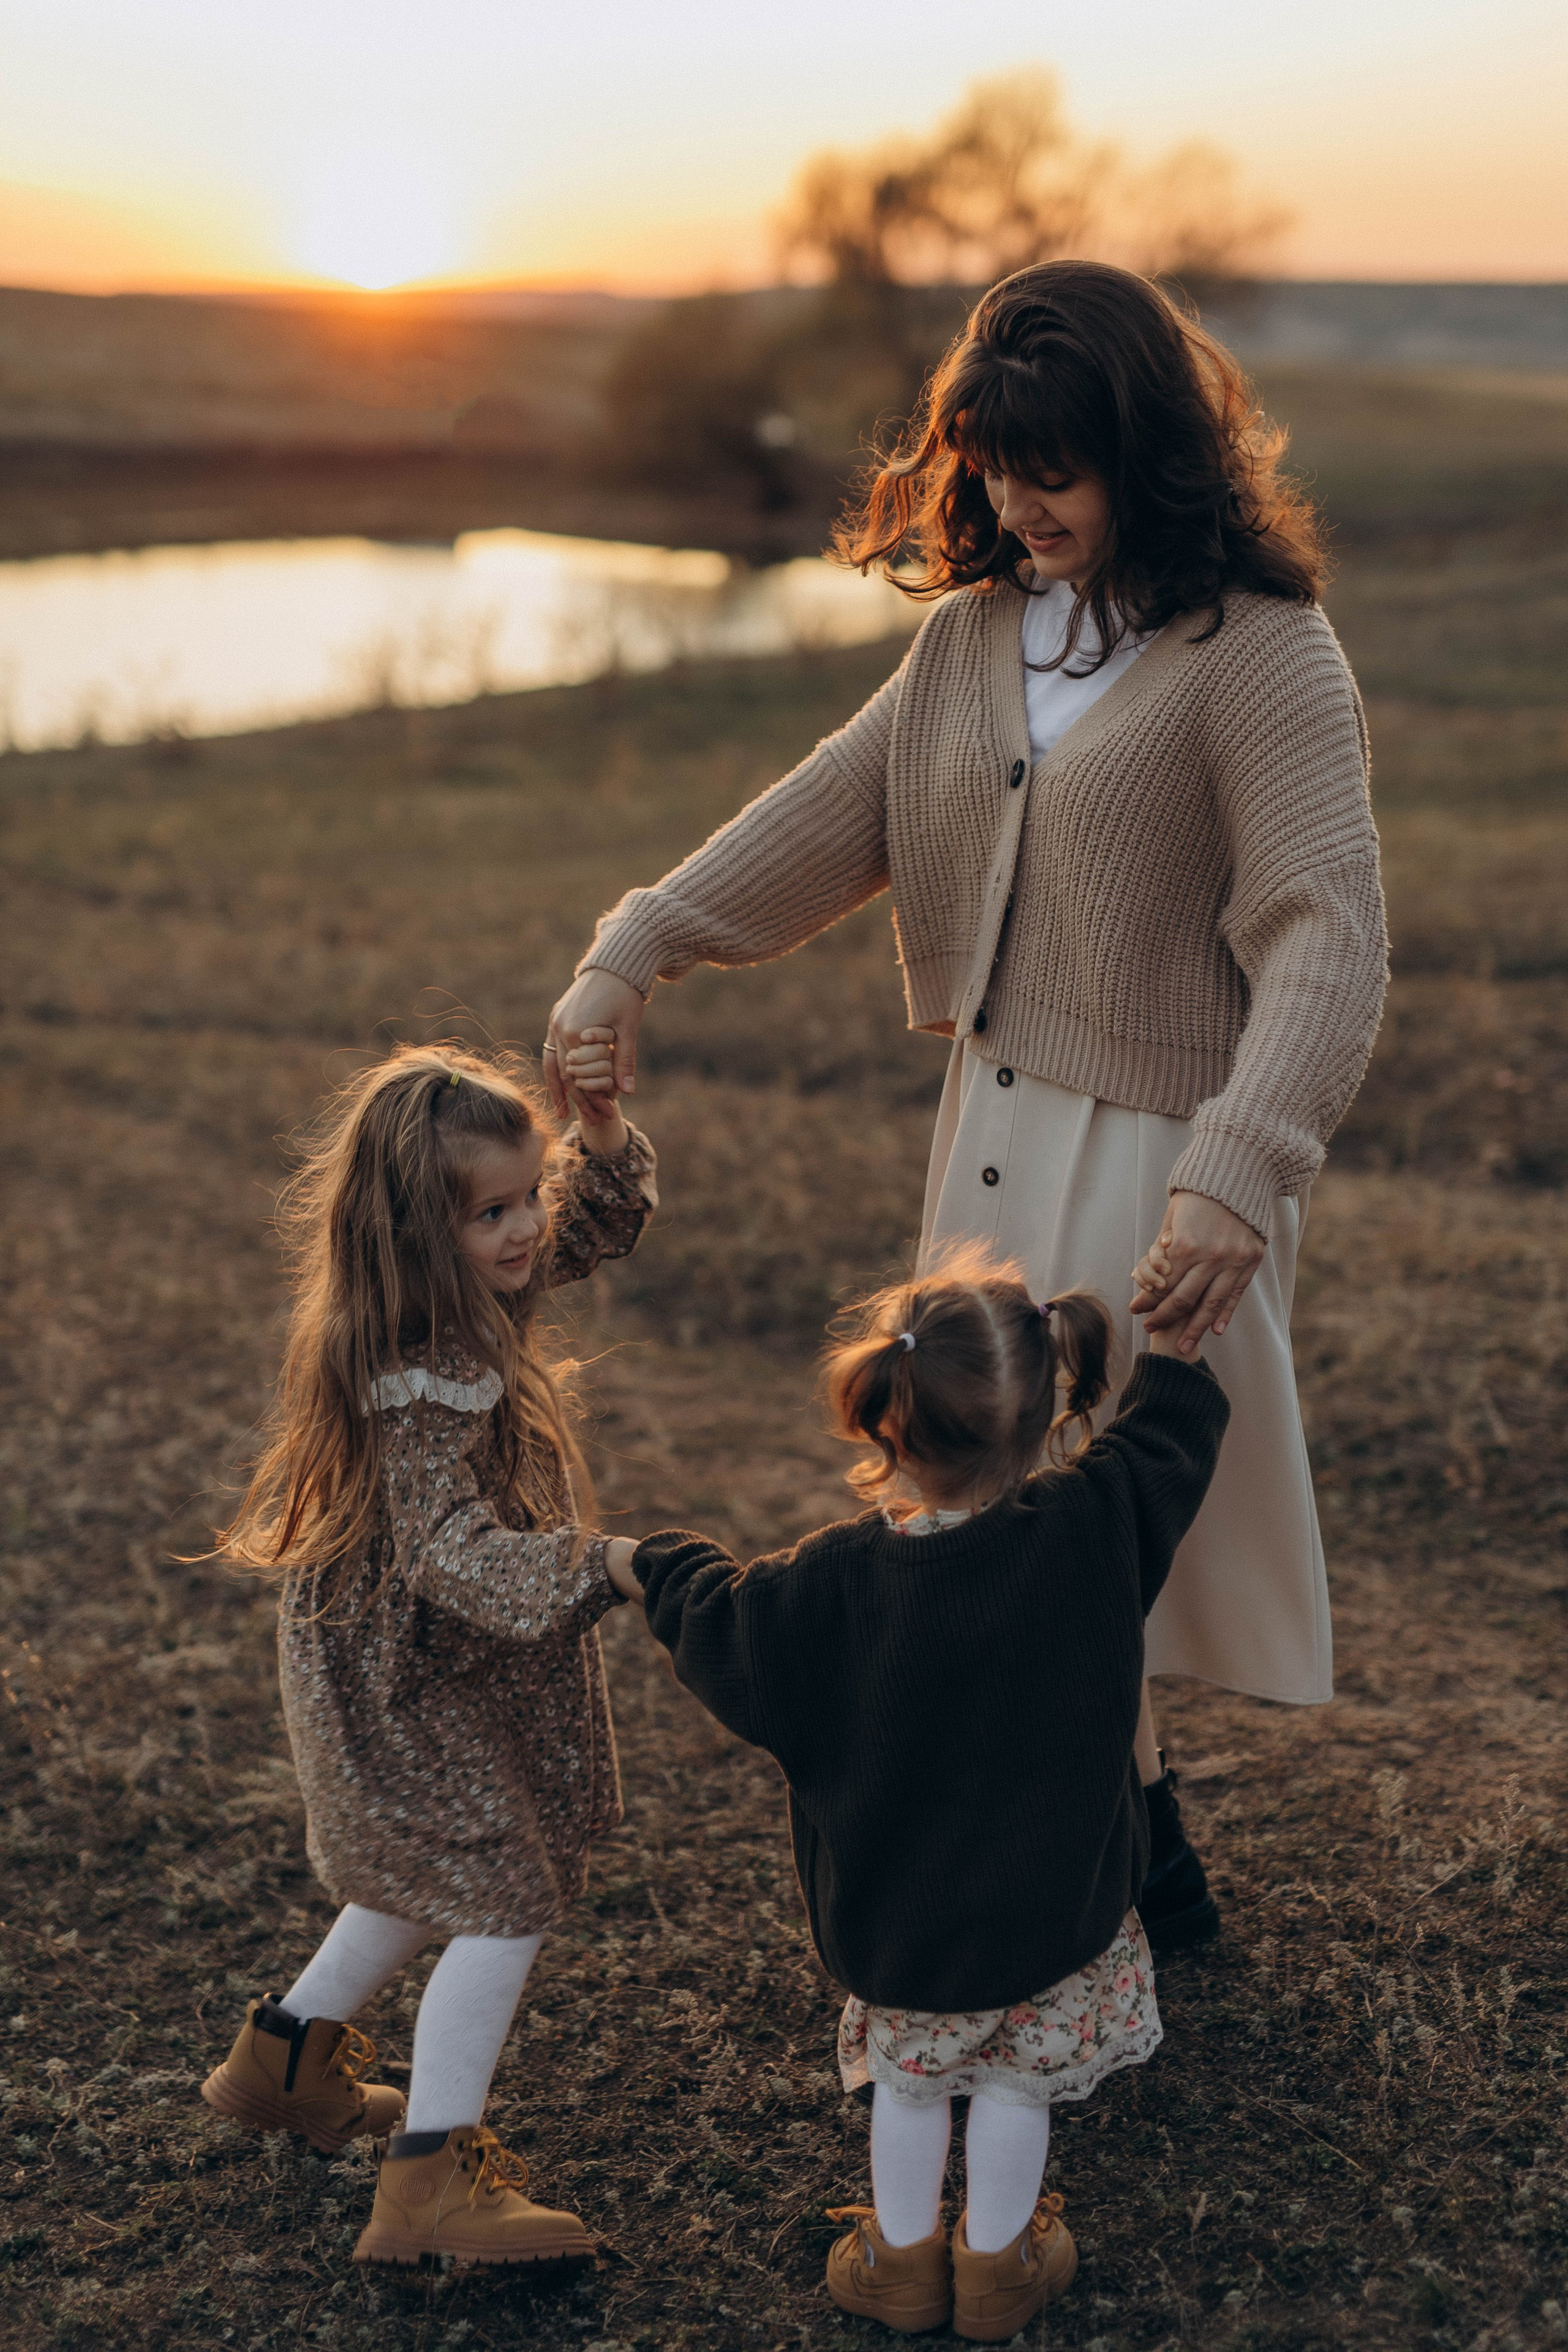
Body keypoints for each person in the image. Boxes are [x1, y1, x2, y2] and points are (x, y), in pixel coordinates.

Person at [548, 259, 1387, 1950]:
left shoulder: (1264, 657)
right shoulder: (972, 640)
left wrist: (1239, 1169)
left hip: (1164, 1154)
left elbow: (1329, 934)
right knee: (993, 1511)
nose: (1019, 501)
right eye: (994, 465)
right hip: (993, 1137)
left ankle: (1127, 1891)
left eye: (1053, 467)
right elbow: (824, 820)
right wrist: (634, 949)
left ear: (1146, 449)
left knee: (1091, 1528)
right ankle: (1141, 1884)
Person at [607, 1250, 1229, 2339]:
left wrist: (642, 1562)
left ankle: (898, 2263)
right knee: (1015, 2087)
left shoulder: (826, 1585)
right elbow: (1167, 1445)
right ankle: (998, 2268)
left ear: (885, 1428)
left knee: (910, 2087)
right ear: (1050, 1407)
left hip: (902, 1931)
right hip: (1052, 1922)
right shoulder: (1093, 1528)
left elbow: (722, 1618)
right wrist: (1175, 1352)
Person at [200, 1036, 655, 2269]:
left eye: (527, 1196)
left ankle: (285, 2062)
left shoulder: (470, 1286)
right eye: (489, 1215)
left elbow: (593, 1227)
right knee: (500, 1892)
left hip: (419, 1659)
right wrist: (597, 1566)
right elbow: (447, 1556)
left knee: (425, 1863)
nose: (522, 1234)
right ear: (412, 1234)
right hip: (406, 1668)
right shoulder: (413, 1369)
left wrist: (599, 1136)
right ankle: (430, 2184)